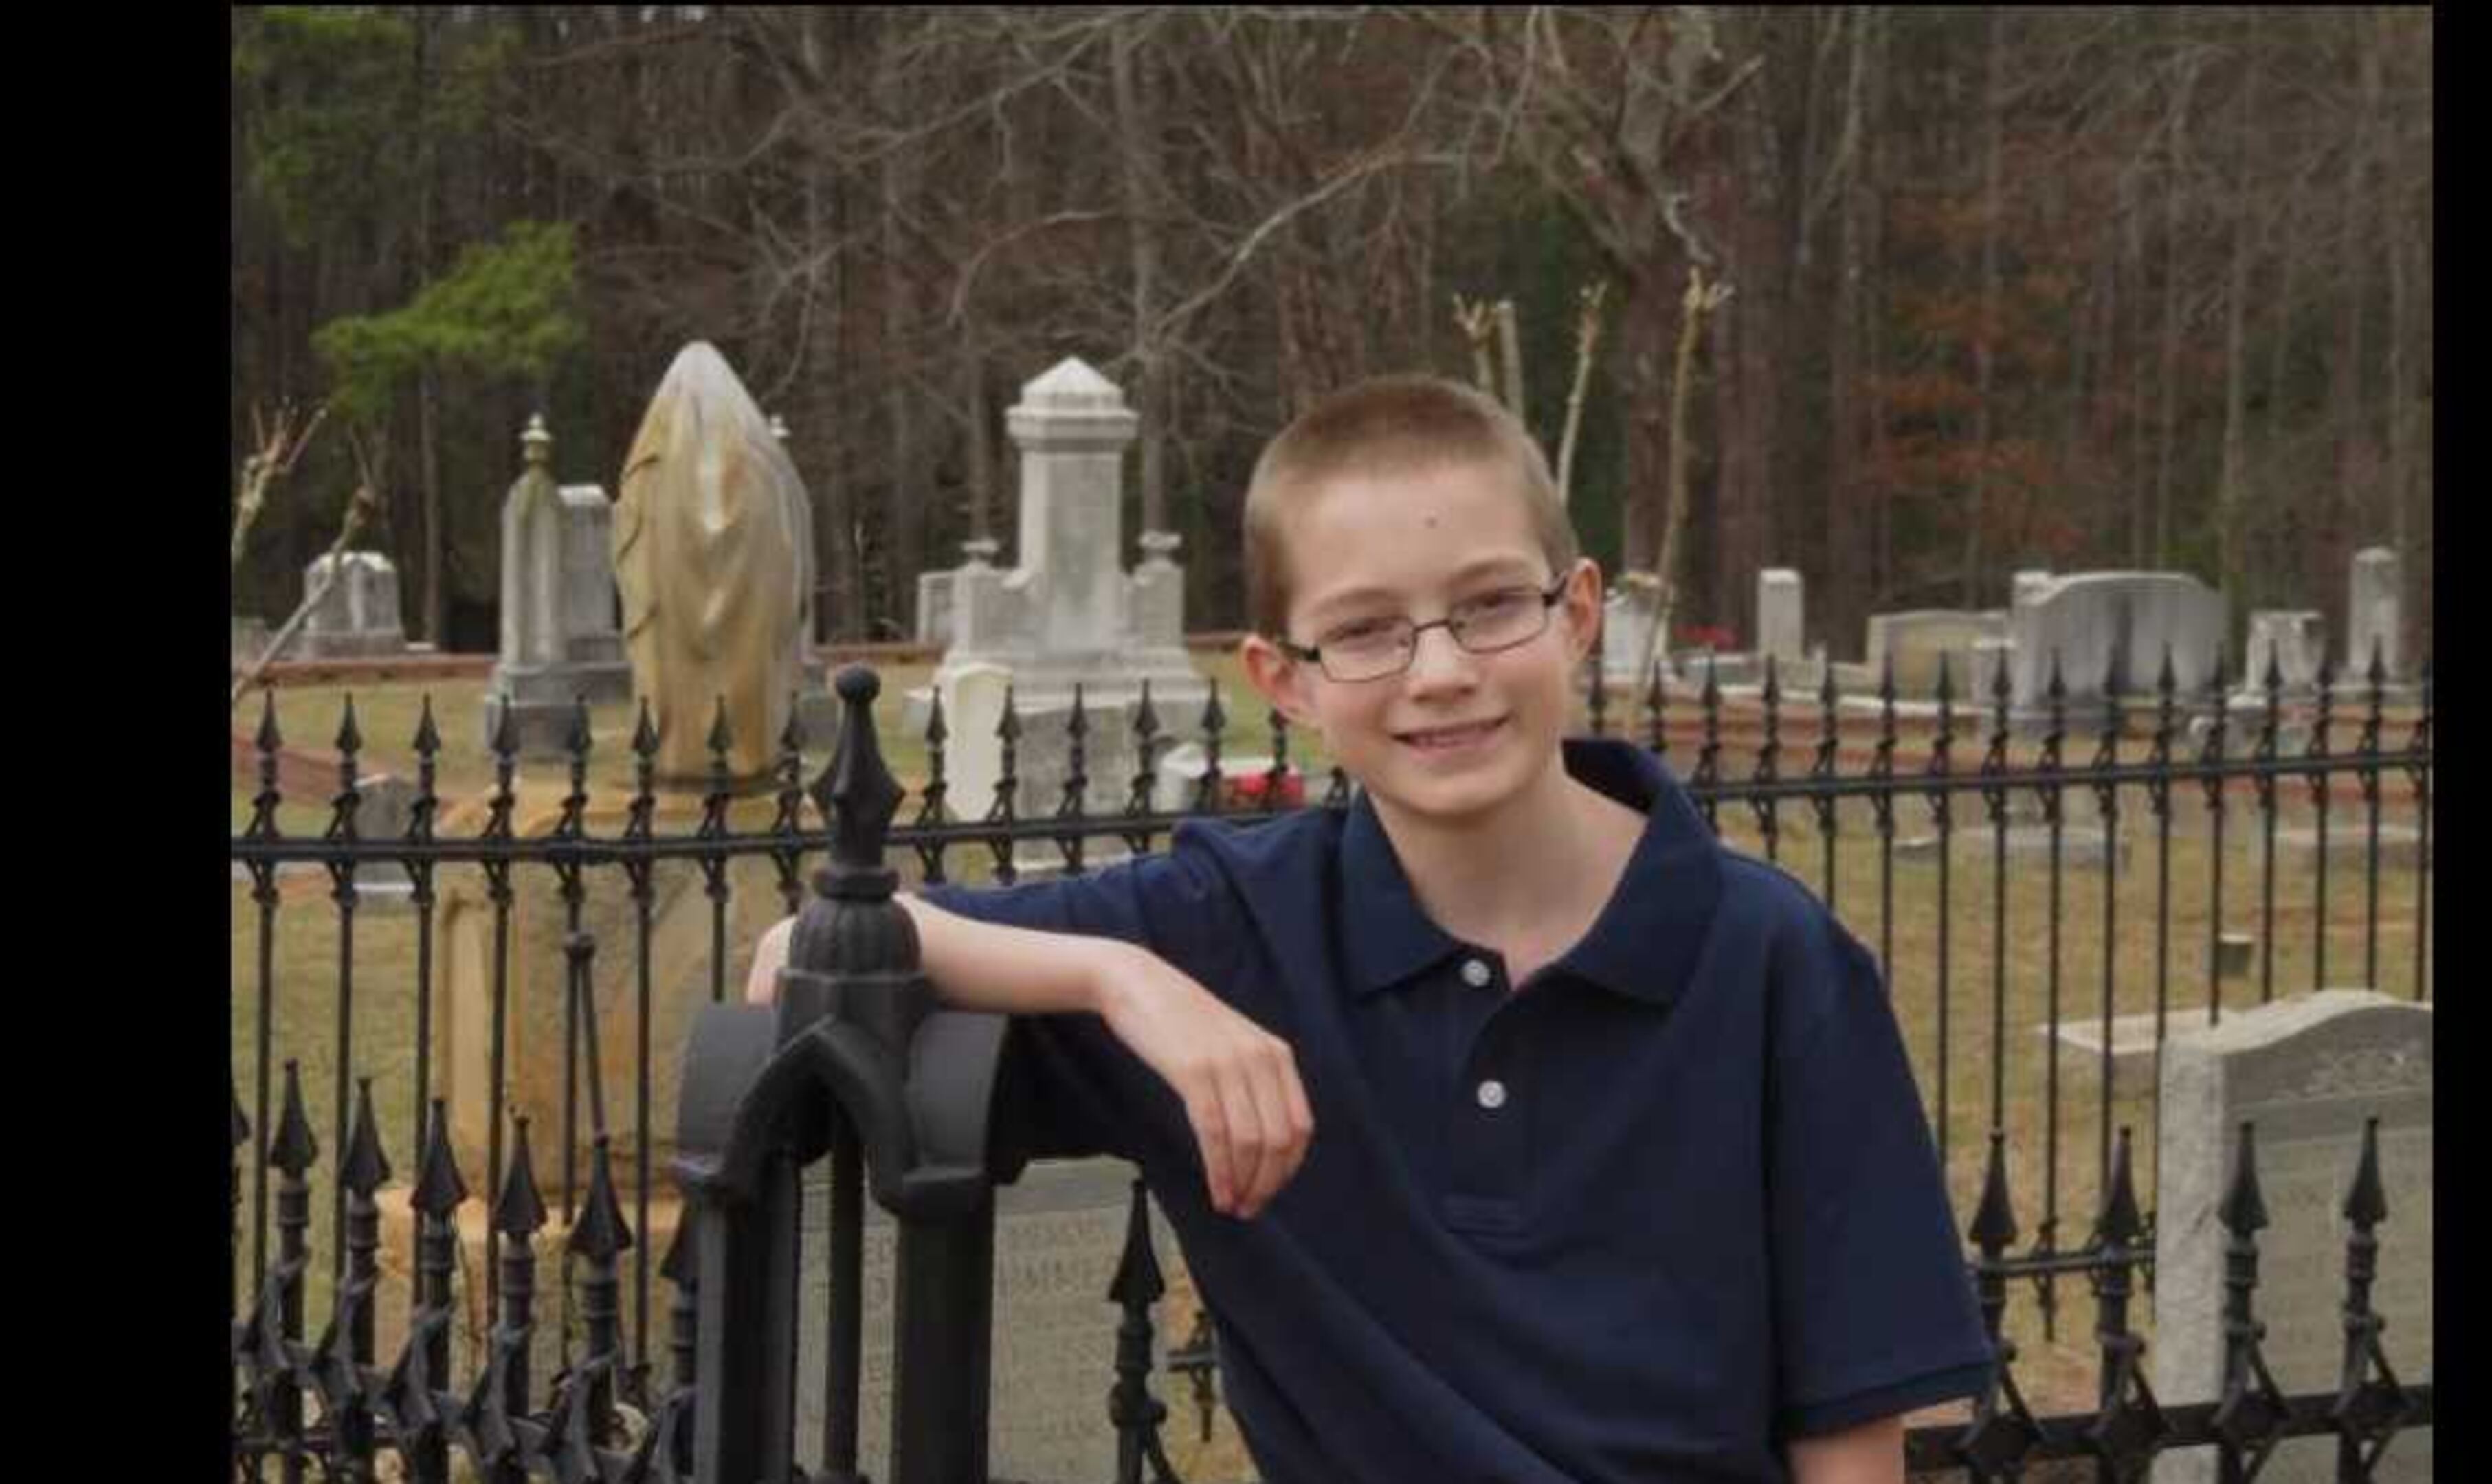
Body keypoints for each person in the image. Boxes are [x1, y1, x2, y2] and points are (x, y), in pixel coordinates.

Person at [747, 376, 1992, 1483]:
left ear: (1579, 611)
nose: (1440, 670)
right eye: (1366, 631)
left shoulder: (1772, 957)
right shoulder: (1225, 931)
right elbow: (809, 955)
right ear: (1281, 677)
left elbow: (1849, 1431)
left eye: (1493, 604)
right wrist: (1130, 983)